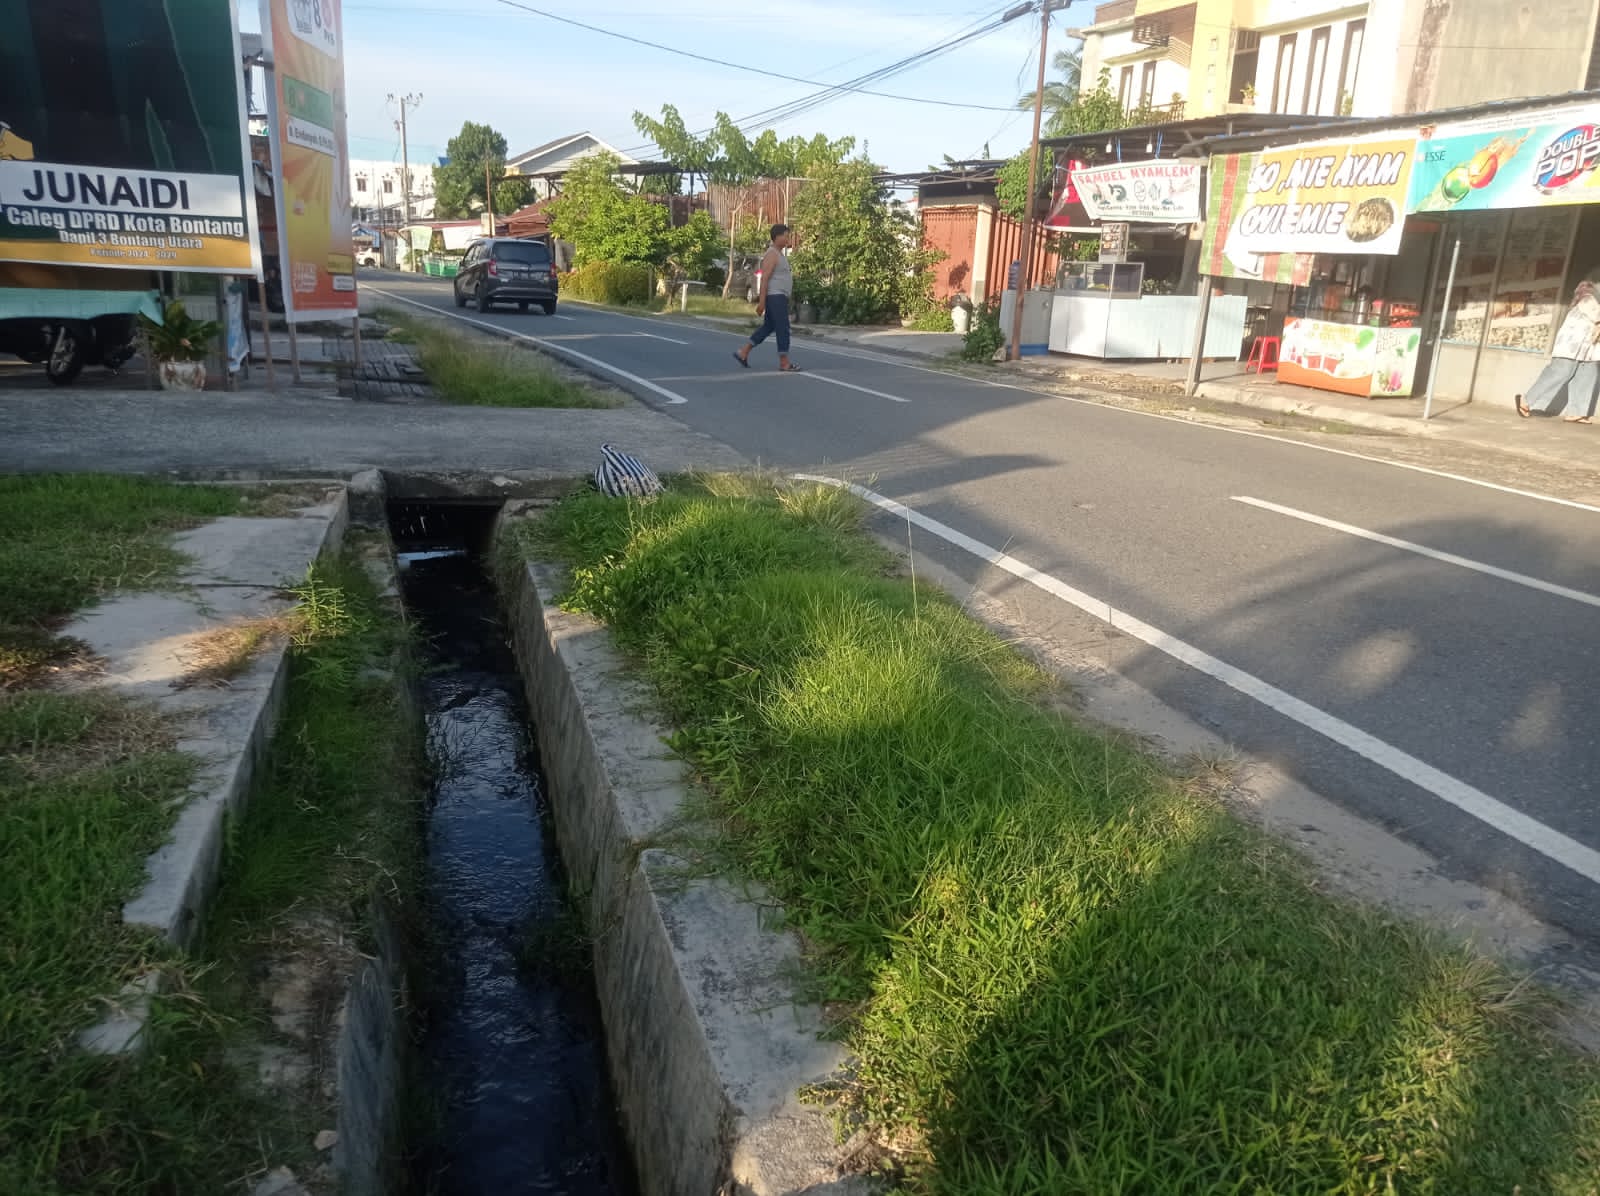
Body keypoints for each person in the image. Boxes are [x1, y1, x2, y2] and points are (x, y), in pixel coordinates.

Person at [1516, 281, 1600, 421]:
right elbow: (1596, 314)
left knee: (1587, 375)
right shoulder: (1587, 298)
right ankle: (1525, 400)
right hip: (1571, 345)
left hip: (1589, 347)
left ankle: (1576, 412)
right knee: (1560, 372)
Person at [733, 224, 800, 372]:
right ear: (777, 237)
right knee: (783, 328)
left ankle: (743, 352)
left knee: (768, 327)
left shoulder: (779, 254)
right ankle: (784, 362)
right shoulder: (772, 254)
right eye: (786, 235)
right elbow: (764, 279)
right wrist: (761, 302)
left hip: (779, 296)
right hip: (775, 296)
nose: (788, 238)